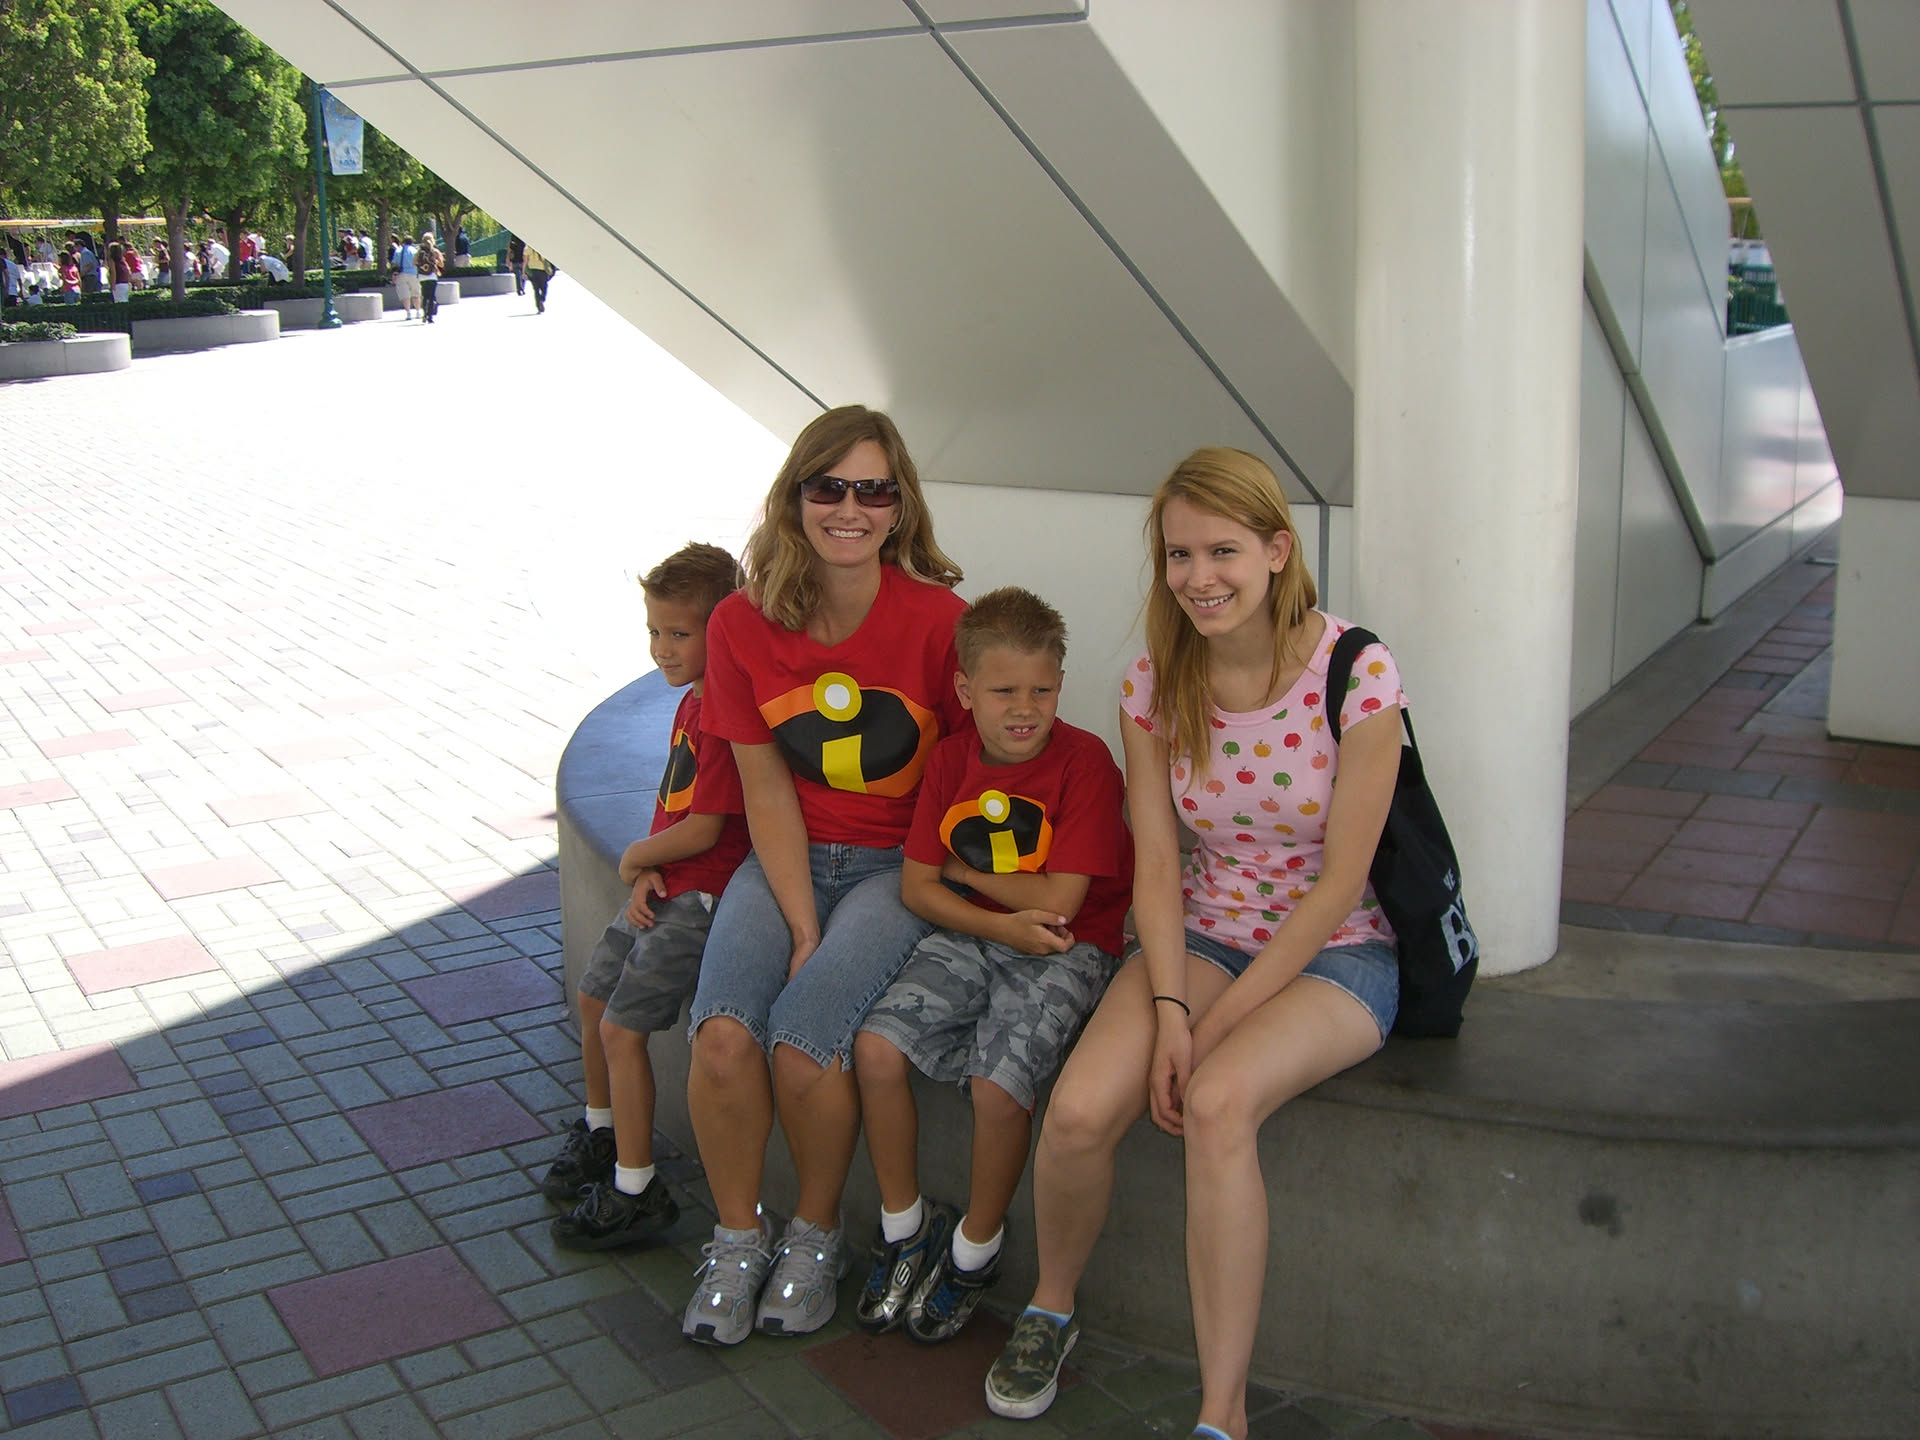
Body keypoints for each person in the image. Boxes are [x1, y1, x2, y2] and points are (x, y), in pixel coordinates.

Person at [982, 448, 1406, 1439]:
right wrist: (1173, 1008)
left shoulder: (1358, 672)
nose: (1199, 577)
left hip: (1338, 951)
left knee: (1216, 1103)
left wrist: (1213, 1029)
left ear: (1276, 551)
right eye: (1180, 554)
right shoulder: (1153, 683)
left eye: (1223, 551)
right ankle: (1050, 1308)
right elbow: (1160, 864)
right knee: (1079, 1111)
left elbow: (1341, 883)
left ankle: (1223, 1414)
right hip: (1204, 934)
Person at [680, 405, 969, 1347]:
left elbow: (968, 784)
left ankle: (814, 1238)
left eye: (873, 490)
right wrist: (804, 925)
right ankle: (736, 1241)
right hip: (789, 854)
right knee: (723, 1037)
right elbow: (764, 783)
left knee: (805, 1041)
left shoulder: (941, 623)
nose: (851, 509)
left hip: (899, 866)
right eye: (828, 487)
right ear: (795, 498)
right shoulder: (740, 623)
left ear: (900, 505)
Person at [852, 586, 1131, 1344]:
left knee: (996, 1085)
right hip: (981, 930)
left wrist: (963, 873)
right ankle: (904, 1228)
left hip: (1068, 945)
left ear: (1061, 684)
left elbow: (1061, 902)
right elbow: (916, 888)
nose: (1024, 709)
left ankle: (975, 1250)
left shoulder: (1086, 763)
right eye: (1004, 691)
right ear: (966, 690)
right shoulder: (949, 760)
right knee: (875, 1049)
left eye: (1041, 690)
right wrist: (990, 918)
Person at [542, 543, 755, 1248]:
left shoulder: (724, 712)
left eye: (679, 633)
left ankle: (636, 1188)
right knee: (593, 998)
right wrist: (646, 870)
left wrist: (638, 856)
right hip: (665, 884)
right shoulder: (690, 702)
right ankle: (603, 1131)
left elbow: (707, 825)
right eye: (654, 631)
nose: (663, 648)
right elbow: (674, 807)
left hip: (701, 899)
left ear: (722, 630)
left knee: (621, 1029)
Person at [417, 231, 443, 323]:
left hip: (422, 276)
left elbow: (414, 262)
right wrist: (435, 262)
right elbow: (441, 264)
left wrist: (422, 266)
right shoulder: (435, 251)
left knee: (425, 295)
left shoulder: (419, 252)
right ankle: (430, 317)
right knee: (431, 296)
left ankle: (424, 314)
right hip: (432, 275)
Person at [394, 234, 420, 320]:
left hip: (401, 274)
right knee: (416, 294)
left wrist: (394, 274)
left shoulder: (398, 250)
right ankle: (418, 311)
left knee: (405, 295)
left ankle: (408, 313)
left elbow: (395, 263)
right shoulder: (415, 251)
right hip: (413, 273)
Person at [524, 244, 555, 313]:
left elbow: (525, 261)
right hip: (542, 270)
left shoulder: (528, 248)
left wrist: (523, 272)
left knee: (536, 289)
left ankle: (538, 307)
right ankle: (542, 299)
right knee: (544, 287)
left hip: (532, 271)